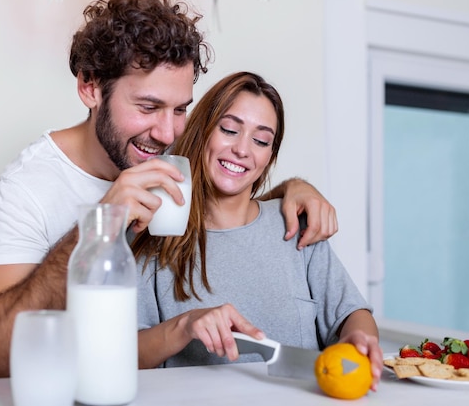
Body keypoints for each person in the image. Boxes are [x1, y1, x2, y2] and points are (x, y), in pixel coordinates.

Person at [0, 0, 337, 380]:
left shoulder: (171, 150)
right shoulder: (32, 186)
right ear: (90, 87)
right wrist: (99, 226)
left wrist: (294, 188)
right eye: (148, 107)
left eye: (180, 109)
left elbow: (236, 187)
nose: (167, 131)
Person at [133, 72, 383, 391]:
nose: (242, 149)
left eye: (261, 140)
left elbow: (350, 313)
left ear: (269, 157)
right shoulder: (154, 237)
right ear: (201, 132)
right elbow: (126, 356)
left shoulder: (294, 225)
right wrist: (184, 326)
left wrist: (358, 339)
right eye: (229, 129)